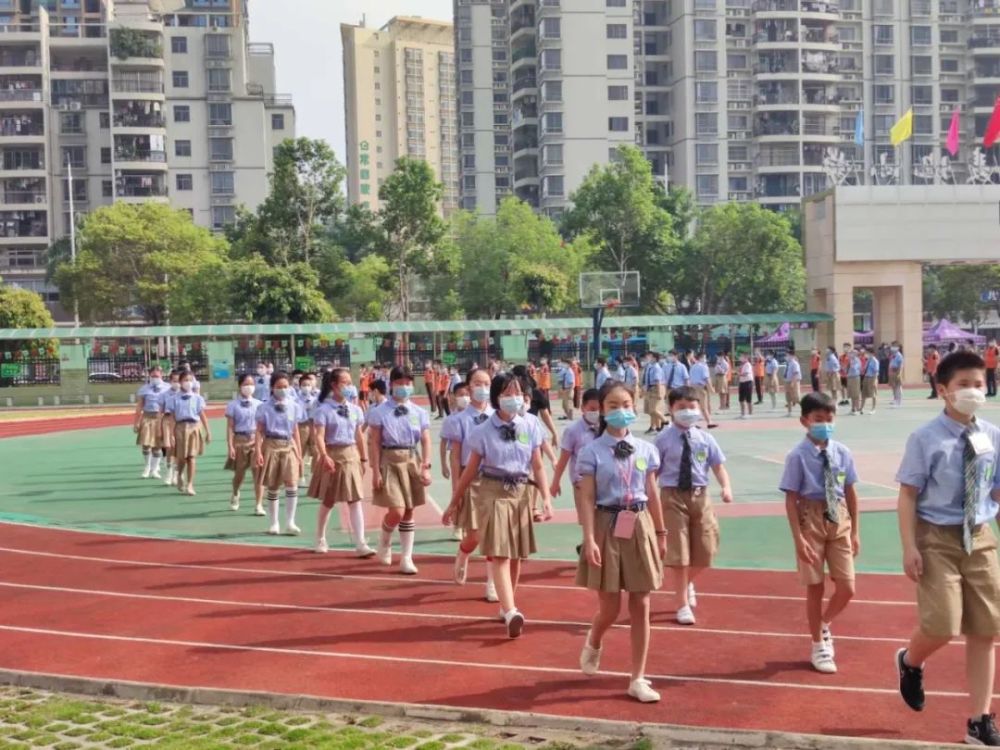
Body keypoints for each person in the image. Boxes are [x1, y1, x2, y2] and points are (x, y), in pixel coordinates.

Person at [894, 351, 1000, 746]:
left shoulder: (992, 435)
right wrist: (910, 547)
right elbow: (907, 495)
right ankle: (910, 660)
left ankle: (979, 720)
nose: (973, 391)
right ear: (943, 390)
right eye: (963, 385)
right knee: (942, 624)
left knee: (987, 629)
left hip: (981, 535)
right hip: (937, 537)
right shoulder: (925, 438)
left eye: (978, 383)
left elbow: (996, 490)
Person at [576, 381, 667, 704]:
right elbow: (586, 497)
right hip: (606, 523)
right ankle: (595, 638)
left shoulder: (647, 450)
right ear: (601, 409)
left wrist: (660, 532)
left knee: (641, 603)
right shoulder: (590, 452)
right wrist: (589, 538)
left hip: (639, 523)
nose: (621, 410)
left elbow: (653, 493)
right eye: (613, 405)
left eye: (626, 404)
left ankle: (637, 678)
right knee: (610, 607)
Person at [447, 372, 553, 638]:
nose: (513, 398)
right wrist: (454, 501)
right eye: (506, 393)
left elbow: (537, 465)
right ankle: (511, 611)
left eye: (516, 392)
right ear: (496, 398)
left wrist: (547, 499)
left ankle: (507, 605)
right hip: (492, 492)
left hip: (521, 492)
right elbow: (470, 470)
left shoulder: (530, 425)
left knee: (516, 554)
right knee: (501, 553)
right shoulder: (482, 431)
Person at [779, 392, 860, 675]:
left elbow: (850, 490)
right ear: (805, 421)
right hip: (810, 516)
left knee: (847, 587)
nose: (824, 424)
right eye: (818, 420)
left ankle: (824, 622)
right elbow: (790, 498)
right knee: (815, 587)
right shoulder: (797, 456)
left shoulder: (842, 452)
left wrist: (855, 531)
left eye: (829, 419)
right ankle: (818, 644)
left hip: (839, 518)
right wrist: (798, 539)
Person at [655, 386, 732, 625]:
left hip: (701, 496)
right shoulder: (662, 439)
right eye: (681, 407)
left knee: (707, 549)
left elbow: (718, 466)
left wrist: (726, 487)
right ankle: (681, 604)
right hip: (672, 497)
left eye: (692, 407)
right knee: (679, 555)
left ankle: (686, 582)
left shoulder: (705, 439)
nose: (687, 411)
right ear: (670, 409)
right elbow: (653, 472)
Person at [367, 366, 433, 575]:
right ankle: (385, 539)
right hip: (389, 459)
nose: (404, 387)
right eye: (399, 383)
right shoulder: (379, 412)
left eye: (407, 383)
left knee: (409, 509)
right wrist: (375, 470)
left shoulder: (419, 412)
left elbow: (425, 439)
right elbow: (375, 442)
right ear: (391, 384)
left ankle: (406, 557)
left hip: (411, 459)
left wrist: (426, 465)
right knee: (396, 509)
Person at [442, 368, 498, 601]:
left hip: (495, 479)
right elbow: (455, 457)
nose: (482, 388)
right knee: (474, 535)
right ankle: (464, 553)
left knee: (494, 535)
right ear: (469, 386)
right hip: (471, 478)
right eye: (477, 383)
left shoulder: (499, 416)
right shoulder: (459, 420)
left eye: (486, 383)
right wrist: (457, 488)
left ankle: (492, 583)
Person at [310, 368, 373, 557]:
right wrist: (324, 455)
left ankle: (361, 543)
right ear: (334, 385)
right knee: (329, 500)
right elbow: (318, 436)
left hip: (351, 455)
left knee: (355, 499)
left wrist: (363, 458)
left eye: (350, 382)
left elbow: (359, 435)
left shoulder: (355, 409)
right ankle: (320, 537)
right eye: (344, 382)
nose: (349, 386)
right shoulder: (324, 409)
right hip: (333, 455)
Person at [255, 372, 303, 535]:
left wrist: (299, 452)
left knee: (291, 483)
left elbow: (295, 430)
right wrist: (258, 451)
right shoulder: (264, 407)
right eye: (279, 387)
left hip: (288, 444)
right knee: (273, 485)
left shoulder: (294, 405)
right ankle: (274, 523)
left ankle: (290, 522)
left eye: (285, 386)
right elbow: (259, 430)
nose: (282, 389)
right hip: (271, 444)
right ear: (272, 388)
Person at [550, 388, 601, 534]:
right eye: (592, 409)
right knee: (587, 525)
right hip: (582, 485)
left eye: (599, 409)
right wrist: (555, 483)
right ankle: (587, 550)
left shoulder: (605, 428)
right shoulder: (573, 431)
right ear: (582, 407)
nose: (596, 412)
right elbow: (563, 459)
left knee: (602, 524)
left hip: (603, 484)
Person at [167, 368, 211, 496]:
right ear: (180, 382)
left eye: (190, 380)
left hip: (194, 427)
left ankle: (190, 484)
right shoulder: (174, 398)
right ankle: (180, 475)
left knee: (191, 457)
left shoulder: (197, 398)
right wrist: (171, 434)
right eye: (185, 380)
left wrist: (208, 431)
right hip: (181, 428)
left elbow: (202, 415)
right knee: (181, 457)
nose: (188, 383)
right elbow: (172, 418)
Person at [224, 373, 263, 514]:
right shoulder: (233, 405)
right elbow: (230, 427)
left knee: (258, 473)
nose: (249, 387)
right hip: (240, 440)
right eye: (246, 384)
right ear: (240, 386)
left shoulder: (259, 404)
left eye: (251, 384)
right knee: (239, 473)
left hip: (256, 440)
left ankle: (258, 504)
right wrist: (230, 445)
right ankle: (235, 493)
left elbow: (262, 426)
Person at [133, 365, 166, 480]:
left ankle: (154, 469)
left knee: (157, 445)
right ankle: (147, 467)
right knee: (146, 444)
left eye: (157, 375)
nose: (155, 377)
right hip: (147, 417)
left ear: (162, 374)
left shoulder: (167, 388)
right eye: (153, 375)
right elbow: (139, 406)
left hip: (160, 418)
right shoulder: (144, 389)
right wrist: (136, 422)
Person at [161, 370, 181, 486]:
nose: (176, 383)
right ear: (170, 381)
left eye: (178, 381)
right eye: (174, 381)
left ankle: (177, 474)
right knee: (168, 447)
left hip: (179, 422)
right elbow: (161, 411)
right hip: (168, 421)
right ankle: (169, 472)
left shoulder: (184, 395)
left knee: (178, 449)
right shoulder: (165, 394)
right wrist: (160, 427)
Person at [688, 352, 717, 428]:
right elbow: (706, 378)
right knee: (704, 406)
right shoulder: (703, 367)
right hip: (700, 387)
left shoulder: (693, 366)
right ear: (700, 358)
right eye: (704, 357)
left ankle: (695, 423)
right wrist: (711, 389)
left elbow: (690, 378)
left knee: (695, 406)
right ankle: (709, 422)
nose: (705, 359)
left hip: (693, 387)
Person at [641, 353, 666, 434]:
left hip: (655, 388)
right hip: (650, 389)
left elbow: (658, 381)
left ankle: (665, 421)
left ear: (654, 358)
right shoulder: (649, 367)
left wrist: (659, 393)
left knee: (654, 409)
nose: (647, 358)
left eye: (650, 356)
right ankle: (654, 427)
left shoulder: (656, 368)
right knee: (650, 410)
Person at [784, 348, 803, 417]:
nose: (786, 356)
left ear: (791, 355)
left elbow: (796, 373)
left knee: (796, 398)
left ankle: (805, 409)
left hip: (793, 382)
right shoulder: (788, 363)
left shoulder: (795, 363)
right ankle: (789, 412)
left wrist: (793, 382)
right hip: (787, 381)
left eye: (787, 354)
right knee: (788, 397)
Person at [861, 347, 879, 415]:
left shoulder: (875, 361)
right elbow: (864, 369)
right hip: (866, 377)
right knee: (864, 394)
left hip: (872, 378)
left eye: (867, 353)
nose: (866, 354)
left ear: (872, 353)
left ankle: (873, 409)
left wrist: (874, 381)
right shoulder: (868, 360)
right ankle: (861, 408)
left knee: (873, 394)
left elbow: (876, 372)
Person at [737, 353, 754, 419]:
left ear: (746, 358)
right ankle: (743, 413)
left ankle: (750, 413)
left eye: (742, 357)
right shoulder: (742, 365)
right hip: (742, 382)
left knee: (748, 399)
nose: (740, 358)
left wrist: (738, 374)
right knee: (741, 399)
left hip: (748, 382)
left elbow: (745, 373)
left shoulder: (748, 364)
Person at [845, 348, 862, 415]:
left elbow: (855, 369)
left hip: (855, 377)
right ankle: (853, 408)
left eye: (852, 353)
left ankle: (857, 409)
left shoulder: (857, 360)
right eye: (850, 353)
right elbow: (847, 370)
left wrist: (851, 364)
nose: (850, 354)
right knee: (851, 393)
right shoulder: (850, 360)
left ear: (856, 354)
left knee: (856, 394)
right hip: (850, 377)